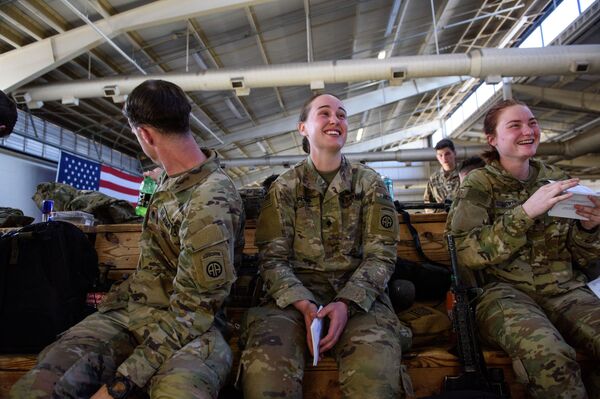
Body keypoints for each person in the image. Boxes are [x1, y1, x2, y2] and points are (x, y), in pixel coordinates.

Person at [10, 79, 245, 399]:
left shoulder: (209, 199)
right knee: (41, 384)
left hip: (193, 327)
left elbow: (195, 312)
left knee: (178, 391)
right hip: (135, 312)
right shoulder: (169, 181)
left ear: (145, 134)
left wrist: (119, 385)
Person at [239, 93, 411, 399]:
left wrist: (345, 303)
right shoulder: (284, 188)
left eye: (342, 115)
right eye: (324, 113)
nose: (335, 120)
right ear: (303, 128)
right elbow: (272, 260)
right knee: (266, 375)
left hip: (360, 301)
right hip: (291, 302)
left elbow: (381, 256)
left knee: (375, 377)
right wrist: (305, 305)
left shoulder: (368, 184)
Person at [446, 99, 600, 399]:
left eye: (532, 123)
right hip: (503, 294)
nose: (527, 130)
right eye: (514, 125)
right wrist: (525, 213)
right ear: (493, 139)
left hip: (564, 288)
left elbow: (583, 256)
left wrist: (589, 228)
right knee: (550, 355)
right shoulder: (479, 184)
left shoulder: (555, 180)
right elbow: (464, 252)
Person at [423, 138, 460, 206]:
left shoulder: (465, 174)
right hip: (441, 216)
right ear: (437, 157)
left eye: (447, 154)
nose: (444, 158)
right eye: (440, 155)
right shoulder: (433, 179)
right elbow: (428, 202)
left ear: (454, 153)